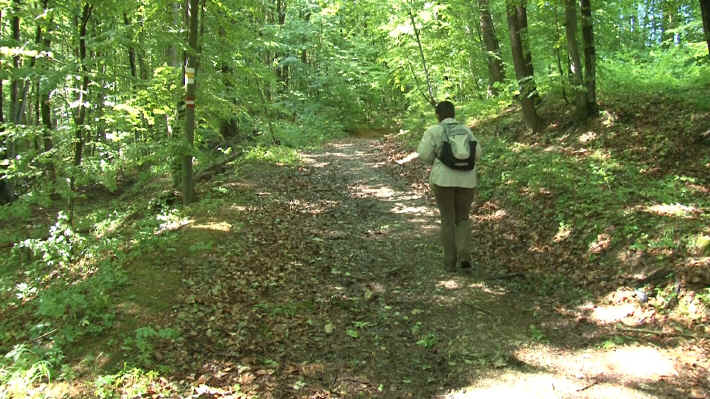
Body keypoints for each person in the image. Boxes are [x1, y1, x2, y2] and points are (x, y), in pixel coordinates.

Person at [416, 101, 482, 272]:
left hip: (443, 180)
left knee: (447, 219)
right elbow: (478, 154)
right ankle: (465, 256)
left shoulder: (433, 130)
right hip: (467, 180)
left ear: (437, 115)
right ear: (454, 114)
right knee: (463, 218)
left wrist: (437, 162)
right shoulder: (466, 130)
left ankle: (449, 262)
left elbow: (423, 154)